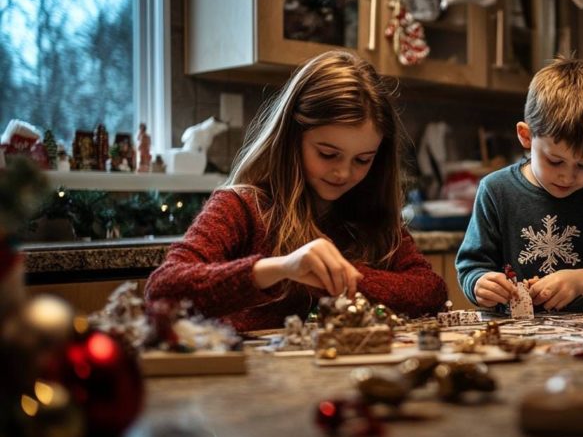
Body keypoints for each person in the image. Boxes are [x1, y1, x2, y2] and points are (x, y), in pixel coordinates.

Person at [146, 50, 447, 331]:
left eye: (362, 160)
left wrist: (335, 276)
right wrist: (281, 268)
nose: (343, 173)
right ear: (292, 138)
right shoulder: (241, 206)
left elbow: (429, 290)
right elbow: (163, 289)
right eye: (328, 154)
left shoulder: (371, 214)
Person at [456, 58, 583, 313]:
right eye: (555, 161)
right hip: (515, 336)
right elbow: (471, 269)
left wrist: (579, 280)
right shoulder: (496, 191)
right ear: (526, 136)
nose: (567, 177)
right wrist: (480, 285)